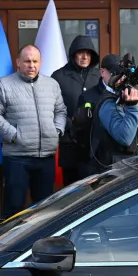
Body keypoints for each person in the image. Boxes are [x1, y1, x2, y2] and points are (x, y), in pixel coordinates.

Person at [0, 45, 66, 217]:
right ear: (18, 62)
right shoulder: (3, 85)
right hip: (17, 158)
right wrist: (14, 136)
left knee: (45, 209)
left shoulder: (52, 85)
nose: (31, 65)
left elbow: (60, 111)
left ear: (40, 62)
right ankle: (9, 243)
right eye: (27, 61)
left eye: (35, 61)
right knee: (14, 206)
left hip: (46, 158)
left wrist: (56, 130)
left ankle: (42, 243)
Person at [51, 34, 101, 185]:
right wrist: (69, 126)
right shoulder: (59, 76)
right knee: (72, 191)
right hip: (70, 143)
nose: (85, 57)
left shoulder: (99, 76)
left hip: (95, 145)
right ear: (73, 54)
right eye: (81, 52)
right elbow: (52, 107)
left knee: (95, 191)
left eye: (88, 53)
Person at [90, 55, 138, 169]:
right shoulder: (107, 103)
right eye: (118, 75)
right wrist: (133, 107)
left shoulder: (122, 98)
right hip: (112, 173)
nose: (122, 80)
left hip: (127, 167)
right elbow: (125, 137)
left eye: (124, 76)